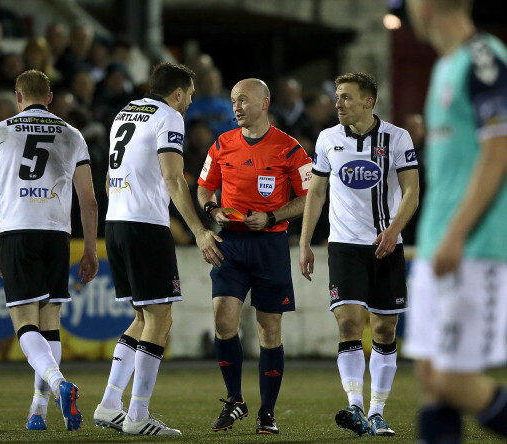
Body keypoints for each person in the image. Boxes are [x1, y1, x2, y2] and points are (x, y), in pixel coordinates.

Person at [92, 62, 223, 436]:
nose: (190, 104)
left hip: (116, 222)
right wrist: (198, 229)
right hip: (144, 226)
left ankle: (109, 405)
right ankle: (138, 415)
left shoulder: (125, 112)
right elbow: (172, 177)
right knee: (161, 319)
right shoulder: (168, 117)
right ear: (178, 93)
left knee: (143, 317)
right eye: (190, 96)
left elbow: (110, 173)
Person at [403, 1, 507, 442]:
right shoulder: (447, 64)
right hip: (437, 245)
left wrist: (456, 234)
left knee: (452, 381)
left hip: (473, 246)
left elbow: (499, 147)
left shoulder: (483, 56)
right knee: (431, 378)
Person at [298, 72, 419, 437]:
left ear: (369, 101)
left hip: (387, 244)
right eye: (337, 97)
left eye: (347, 97)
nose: (338, 103)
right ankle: (355, 405)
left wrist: (394, 230)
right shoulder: (327, 139)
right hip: (344, 245)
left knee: (385, 328)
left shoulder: (397, 138)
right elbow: (316, 193)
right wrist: (305, 241)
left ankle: (378, 411)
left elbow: (412, 190)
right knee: (349, 323)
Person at [0, 69, 99, 432]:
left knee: (24, 323)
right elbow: (89, 201)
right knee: (51, 325)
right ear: (49, 98)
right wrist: (90, 249)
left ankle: (59, 383)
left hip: (18, 231)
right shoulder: (72, 133)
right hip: (56, 234)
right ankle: (38, 411)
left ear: (18, 97)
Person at [197, 78, 312, 434]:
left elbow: (310, 196)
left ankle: (267, 412)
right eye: (234, 100)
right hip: (231, 242)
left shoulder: (289, 148)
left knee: (269, 330)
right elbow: (203, 188)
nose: (236, 107)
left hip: (270, 246)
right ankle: (234, 401)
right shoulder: (221, 144)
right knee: (223, 321)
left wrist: (273, 216)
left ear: (264, 102)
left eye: (243, 100)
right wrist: (213, 211)